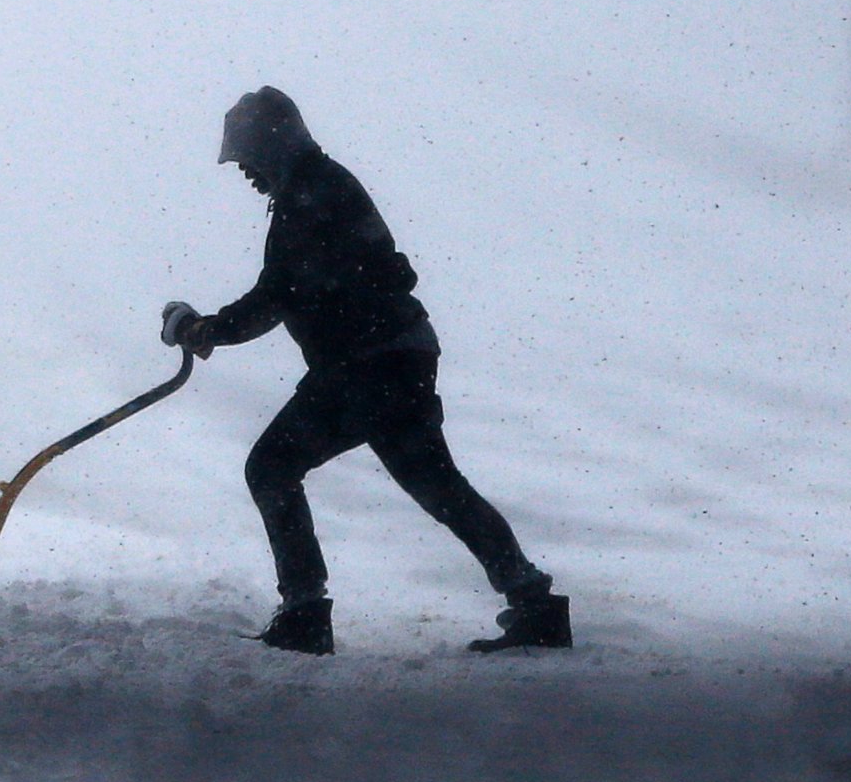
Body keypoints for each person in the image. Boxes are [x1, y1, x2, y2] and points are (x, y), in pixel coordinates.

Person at [162, 87, 570, 655]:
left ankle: (305, 611)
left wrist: (208, 331)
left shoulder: (311, 195)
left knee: (273, 467)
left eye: (250, 158)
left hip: (366, 365)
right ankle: (535, 603)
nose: (247, 173)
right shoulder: (319, 186)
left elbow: (278, 294)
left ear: (273, 146)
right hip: (394, 355)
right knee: (437, 486)